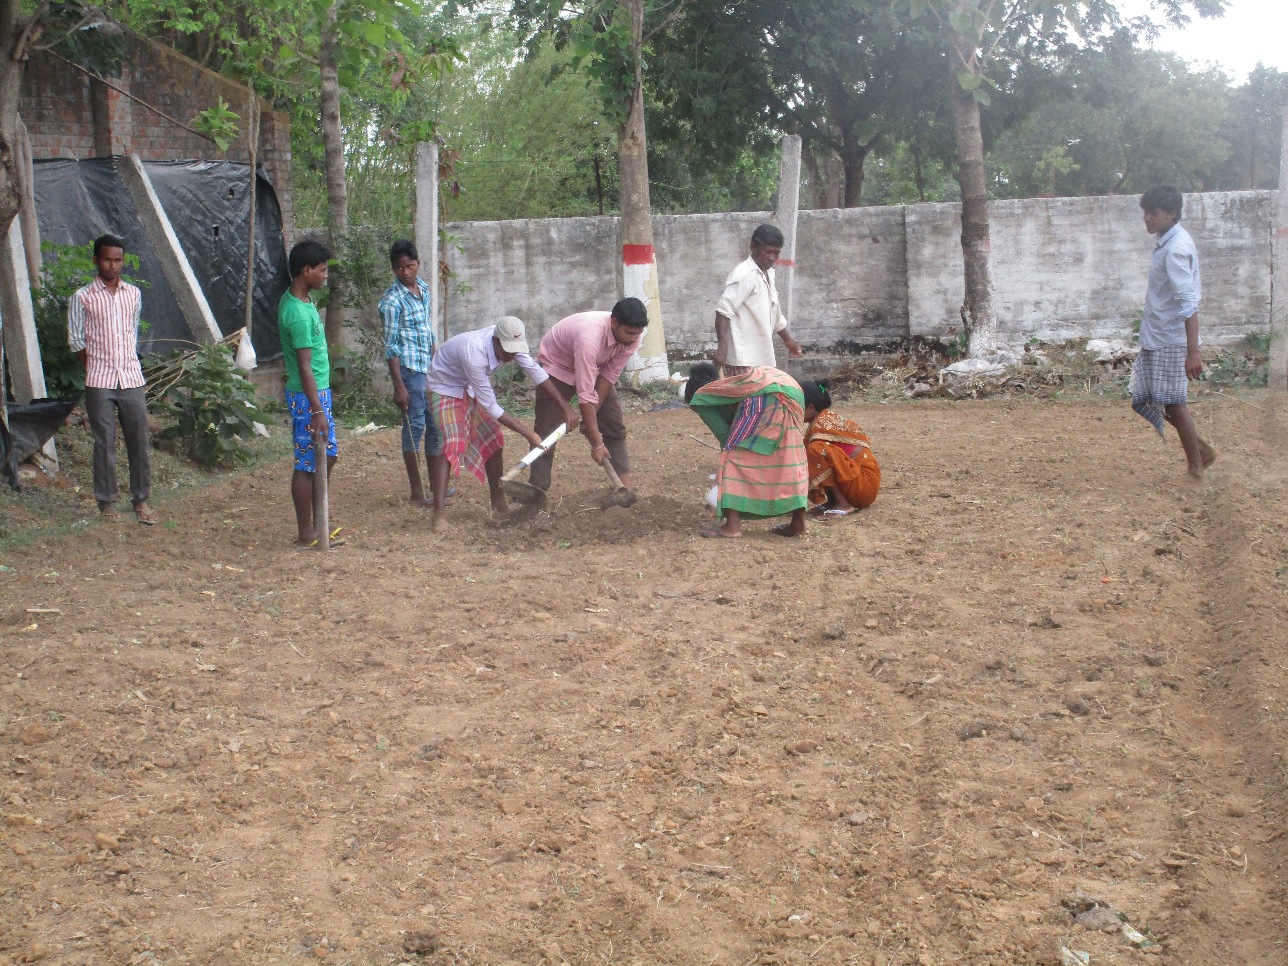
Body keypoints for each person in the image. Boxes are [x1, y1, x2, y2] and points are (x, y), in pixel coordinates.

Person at [426, 316, 578, 527]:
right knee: (451, 444)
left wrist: (565, 407)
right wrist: (529, 434)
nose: (511, 356)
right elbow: (491, 406)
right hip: (445, 385)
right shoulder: (474, 354)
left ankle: (498, 504)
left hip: (468, 385)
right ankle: (439, 517)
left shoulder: (512, 340)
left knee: (494, 440)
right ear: (496, 341)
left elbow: (537, 373)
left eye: (515, 352)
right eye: (508, 351)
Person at [68, 233, 155, 525]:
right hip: (99, 380)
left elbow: (132, 332)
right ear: (96, 260)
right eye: (107, 259)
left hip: (131, 377)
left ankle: (141, 499)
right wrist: (94, 366)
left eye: (118, 260)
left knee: (138, 438)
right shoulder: (82, 297)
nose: (113, 265)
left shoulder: (133, 294)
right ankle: (106, 503)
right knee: (104, 442)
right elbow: (76, 341)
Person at [1134, 184, 1218, 484]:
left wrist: (1193, 352)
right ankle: (1202, 450)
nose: (1147, 218)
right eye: (1145, 212)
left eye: (1153, 213)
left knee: (1171, 401)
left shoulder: (1175, 250)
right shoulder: (1168, 243)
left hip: (1170, 338)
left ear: (1171, 214)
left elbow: (1188, 303)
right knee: (1146, 397)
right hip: (1158, 335)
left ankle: (1196, 469)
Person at [530, 297, 648, 491]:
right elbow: (585, 394)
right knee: (547, 431)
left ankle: (624, 488)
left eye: (638, 333)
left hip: (594, 369)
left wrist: (590, 419)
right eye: (629, 333)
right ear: (614, 322)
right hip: (556, 368)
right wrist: (596, 444)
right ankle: (537, 489)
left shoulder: (632, 339)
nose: (633, 339)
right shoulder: (590, 337)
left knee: (614, 426)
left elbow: (609, 376)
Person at [685, 362, 808, 539]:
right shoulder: (735, 386)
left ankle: (732, 527)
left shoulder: (701, 398)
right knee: (789, 455)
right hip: (790, 388)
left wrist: (725, 476)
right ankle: (798, 523)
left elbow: (725, 437)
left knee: (731, 458)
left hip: (769, 392)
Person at [279, 239, 341, 547]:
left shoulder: (301, 301)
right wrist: (317, 410)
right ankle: (307, 531)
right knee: (307, 462)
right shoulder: (298, 314)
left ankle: (319, 523)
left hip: (316, 393)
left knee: (327, 455)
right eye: (322, 270)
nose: (326, 275)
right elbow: (304, 366)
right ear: (306, 271)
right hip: (308, 396)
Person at [379, 239, 440, 508]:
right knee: (414, 426)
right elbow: (390, 346)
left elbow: (427, 330)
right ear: (393, 268)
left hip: (427, 368)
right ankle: (417, 492)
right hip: (409, 370)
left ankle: (436, 487)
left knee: (434, 424)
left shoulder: (423, 289)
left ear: (418, 264)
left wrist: (437, 364)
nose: (405, 272)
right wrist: (399, 385)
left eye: (410, 266)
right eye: (399, 268)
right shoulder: (392, 301)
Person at [713, 224, 803, 375]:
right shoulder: (745, 274)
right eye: (768, 252)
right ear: (753, 247)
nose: (772, 258)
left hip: (761, 356)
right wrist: (722, 347)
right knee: (749, 392)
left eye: (776, 253)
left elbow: (775, 315)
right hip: (742, 359)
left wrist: (789, 341)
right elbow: (723, 311)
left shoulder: (769, 274)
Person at [800, 380, 880, 516]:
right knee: (817, 453)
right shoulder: (822, 420)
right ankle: (832, 501)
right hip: (861, 482)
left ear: (811, 408)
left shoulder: (821, 425)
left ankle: (843, 504)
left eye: (797, 408)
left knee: (816, 450)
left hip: (864, 487)